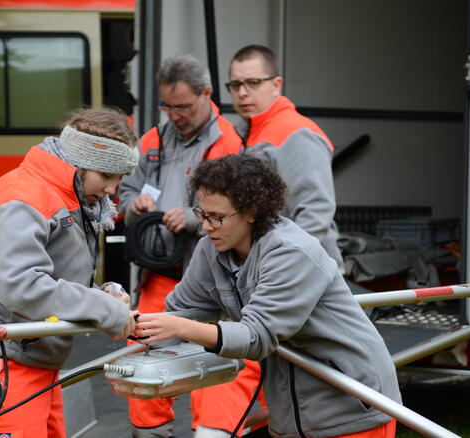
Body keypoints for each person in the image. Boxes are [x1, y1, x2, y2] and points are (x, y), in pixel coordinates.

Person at [135, 154, 402, 438]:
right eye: (201, 214)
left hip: (353, 404)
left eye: (217, 217)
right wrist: (130, 326)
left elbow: (256, 336)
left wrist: (180, 327)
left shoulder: (291, 252)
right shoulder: (210, 250)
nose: (206, 226)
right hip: (292, 413)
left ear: (252, 211)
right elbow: (180, 310)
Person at [0, 107, 139, 438]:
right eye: (106, 175)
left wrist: (102, 295)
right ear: (80, 162)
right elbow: (21, 285)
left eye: (120, 178)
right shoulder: (22, 196)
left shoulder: (67, 196)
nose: (112, 189)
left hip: (28, 364)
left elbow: (54, 279)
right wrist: (101, 308)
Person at [118, 54, 256, 437]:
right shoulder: (153, 139)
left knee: (210, 367)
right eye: (168, 107)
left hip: (214, 284)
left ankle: (208, 432)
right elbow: (125, 189)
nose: (175, 115)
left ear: (206, 94)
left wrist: (194, 219)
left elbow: (240, 210)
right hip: (159, 276)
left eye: (183, 107)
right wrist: (132, 205)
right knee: (143, 363)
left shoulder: (229, 142)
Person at [227, 44, 344, 270]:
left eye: (253, 82)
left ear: (276, 85)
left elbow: (315, 213)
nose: (242, 93)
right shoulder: (241, 134)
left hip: (302, 274)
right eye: (235, 85)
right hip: (264, 268)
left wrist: (286, 268)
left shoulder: (297, 133)